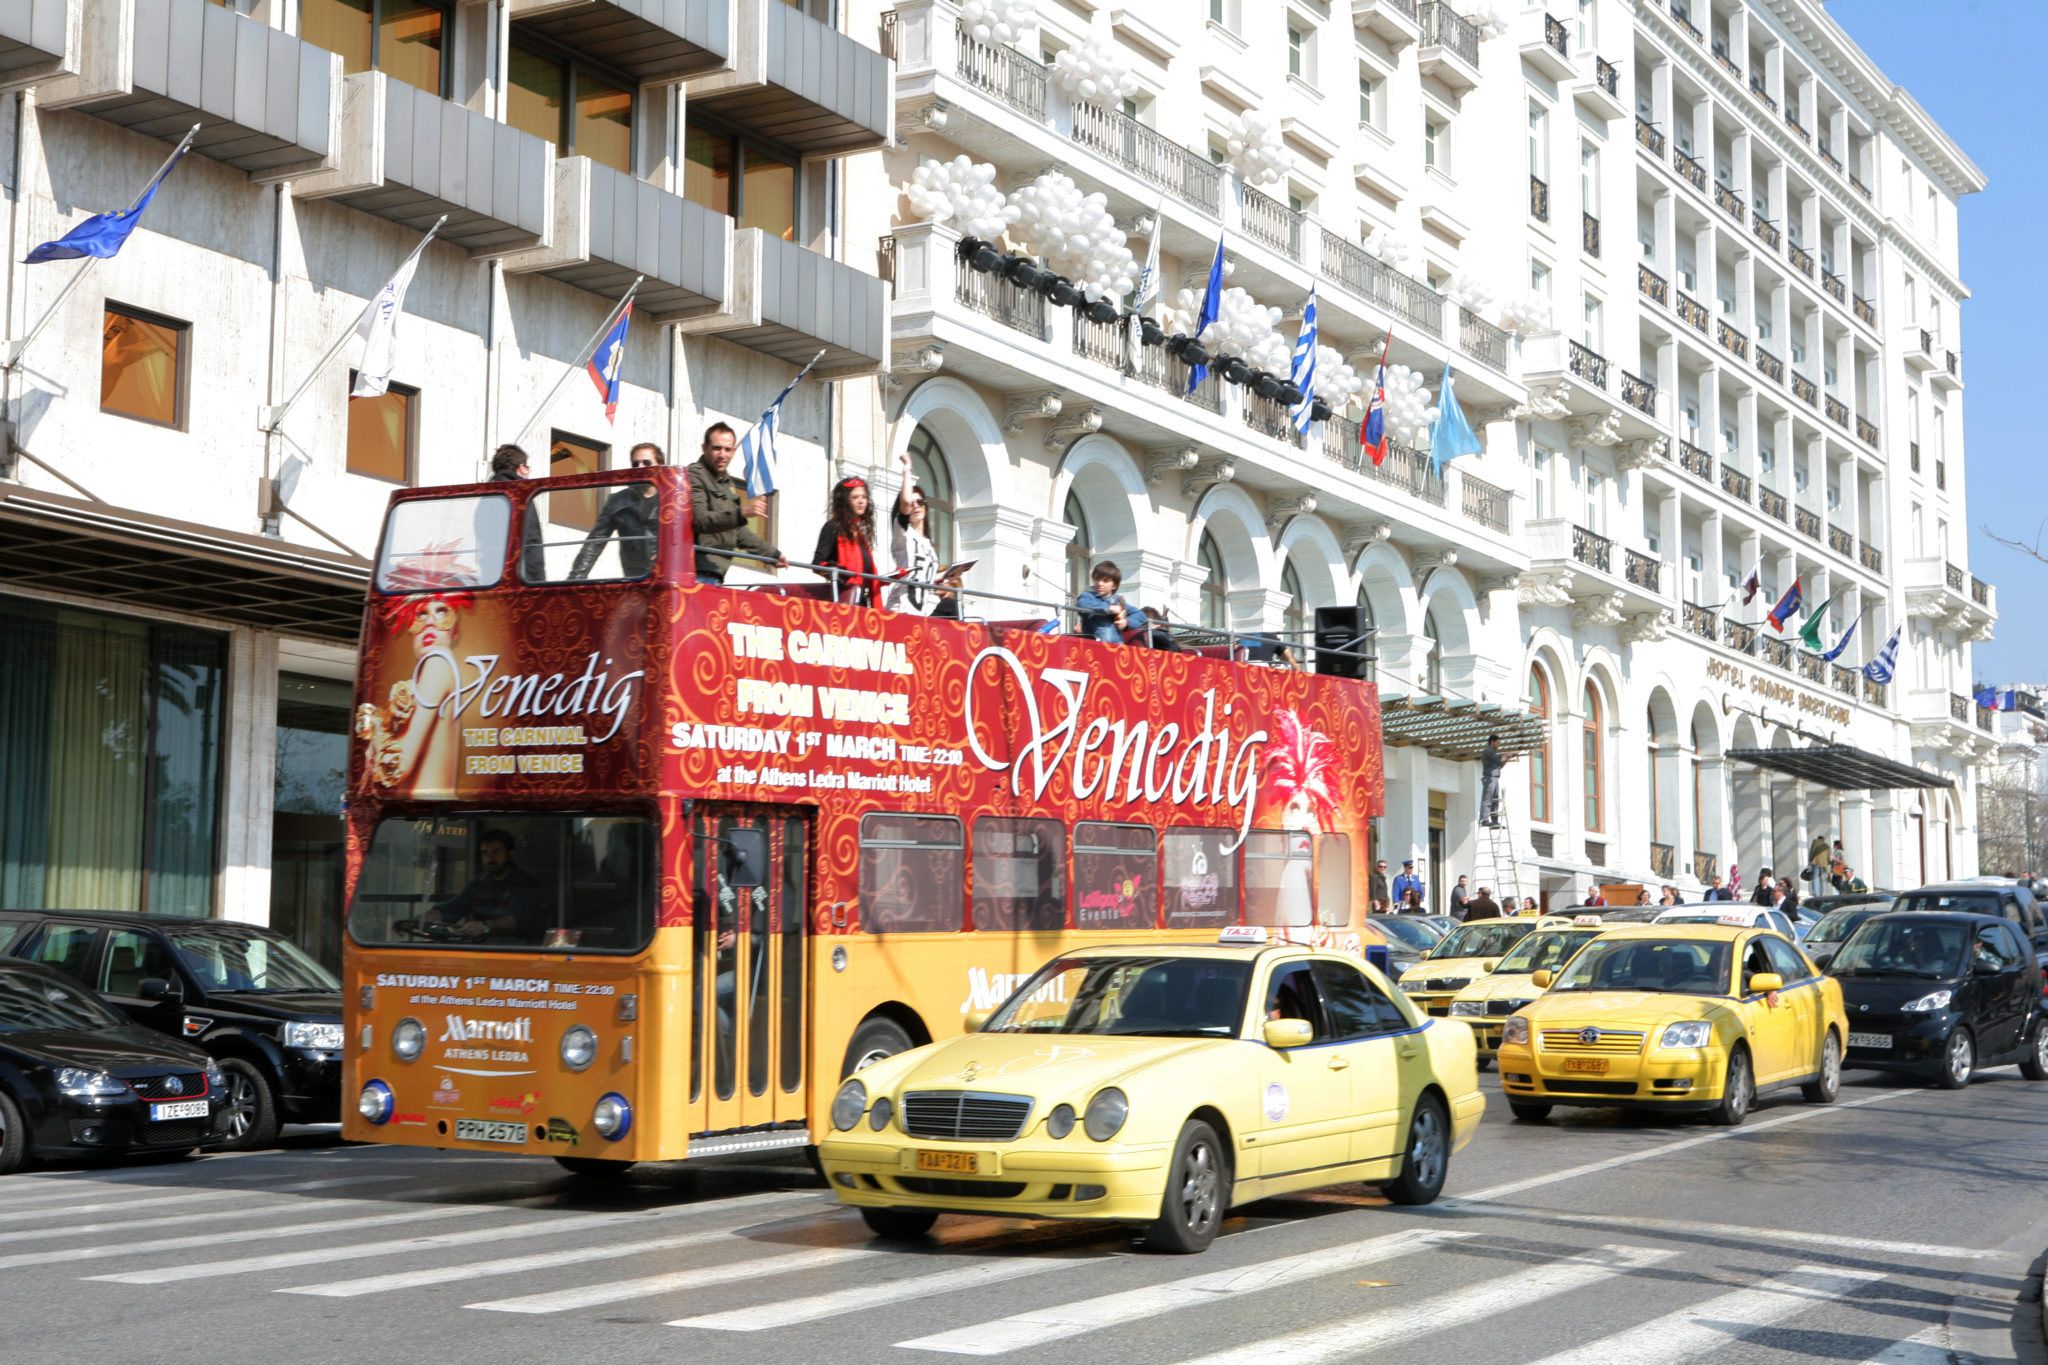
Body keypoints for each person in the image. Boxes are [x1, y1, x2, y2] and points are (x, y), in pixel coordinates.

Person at [688, 422, 785, 586]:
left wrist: (772, 554)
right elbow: (700, 520)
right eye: (716, 448)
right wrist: (742, 513)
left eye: (727, 449)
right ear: (704, 448)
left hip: (714, 575)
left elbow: (738, 532)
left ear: (733, 452)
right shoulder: (694, 475)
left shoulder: (725, 482)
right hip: (697, 573)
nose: (722, 454)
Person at [568, 441, 663, 581]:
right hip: (634, 579)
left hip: (666, 576)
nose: (640, 467)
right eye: (635, 464)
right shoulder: (618, 501)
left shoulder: (671, 499)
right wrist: (575, 579)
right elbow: (594, 542)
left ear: (659, 465)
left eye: (646, 462)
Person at [432, 829, 546, 943]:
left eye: (496, 852)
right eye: (485, 853)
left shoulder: (525, 884)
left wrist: (484, 926)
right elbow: (452, 908)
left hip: (519, 952)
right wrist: (423, 919)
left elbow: (512, 922)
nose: (490, 858)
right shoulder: (478, 884)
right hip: (481, 951)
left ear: (511, 855)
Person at [888, 446, 942, 614]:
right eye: (912, 503)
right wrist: (907, 468)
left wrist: (948, 575)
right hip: (901, 607)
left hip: (922, 611)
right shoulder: (903, 531)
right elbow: (904, 502)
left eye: (920, 502)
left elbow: (925, 577)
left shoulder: (928, 544)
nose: (916, 506)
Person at [813, 475, 880, 606]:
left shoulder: (860, 535)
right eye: (855, 497)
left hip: (862, 602)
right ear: (844, 501)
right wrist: (839, 571)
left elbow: (866, 575)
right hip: (843, 600)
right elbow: (818, 564)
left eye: (864, 497)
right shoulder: (832, 527)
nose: (861, 501)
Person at [491, 443, 546, 583]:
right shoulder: (522, 495)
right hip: (520, 579)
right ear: (521, 468)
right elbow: (531, 541)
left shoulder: (485, 495)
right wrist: (538, 582)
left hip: (490, 579)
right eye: (527, 467)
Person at [1076, 561, 1148, 645]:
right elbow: (1082, 605)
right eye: (1097, 579)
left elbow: (1141, 615)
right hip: (1095, 647)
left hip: (1118, 648)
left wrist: (1126, 622)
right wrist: (1108, 608)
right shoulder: (1087, 596)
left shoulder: (1118, 601)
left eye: (1105, 581)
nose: (1099, 583)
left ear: (1114, 585)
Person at [1478, 735, 1506, 828]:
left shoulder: (1493, 754)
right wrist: (1507, 755)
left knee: (1495, 799)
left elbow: (1500, 764)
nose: (1499, 744)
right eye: (1497, 742)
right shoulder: (1488, 751)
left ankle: (1494, 821)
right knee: (1488, 798)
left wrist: (1507, 758)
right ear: (1492, 742)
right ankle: (1484, 820)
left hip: (1495, 778)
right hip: (1489, 778)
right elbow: (1498, 759)